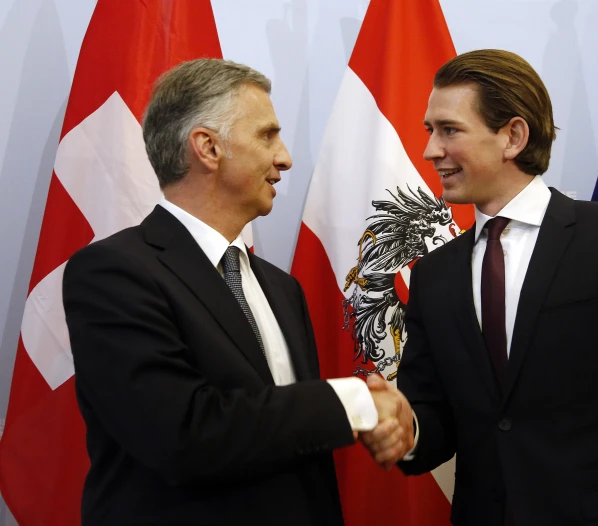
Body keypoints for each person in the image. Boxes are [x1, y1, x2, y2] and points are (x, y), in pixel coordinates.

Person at [362, 49, 598, 525]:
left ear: (512, 136)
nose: (431, 150)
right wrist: (404, 428)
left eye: (449, 130)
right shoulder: (433, 275)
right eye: (430, 131)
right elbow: (439, 420)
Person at [62, 58, 409, 526]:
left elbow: (289, 437)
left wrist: (368, 418)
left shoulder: (283, 289)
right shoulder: (113, 272)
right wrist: (352, 403)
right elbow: (182, 434)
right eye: (267, 135)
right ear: (208, 147)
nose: (284, 157)